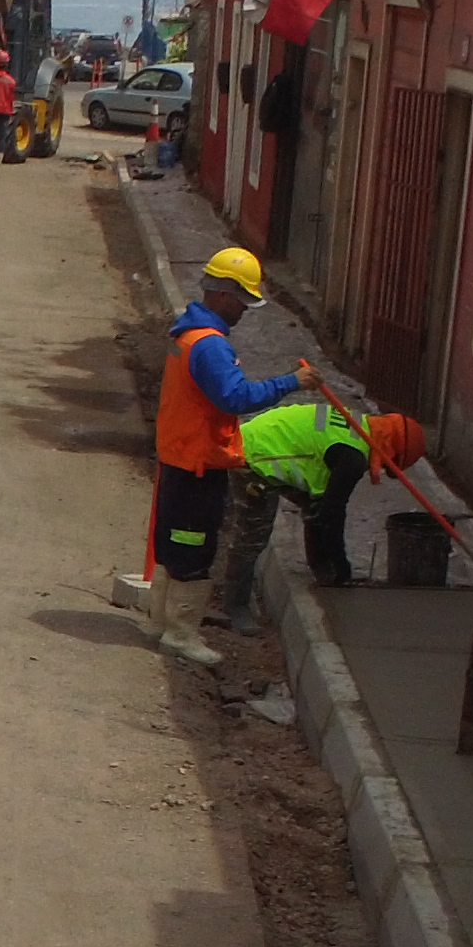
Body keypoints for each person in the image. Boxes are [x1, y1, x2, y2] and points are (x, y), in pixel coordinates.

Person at [112, 243, 303, 665]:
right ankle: (180, 634)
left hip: (179, 458)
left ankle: (160, 623)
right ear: (222, 294)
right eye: (242, 301)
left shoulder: (186, 333)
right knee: (194, 548)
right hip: (199, 465)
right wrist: (291, 382)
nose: (244, 311)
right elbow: (236, 397)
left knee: (172, 544)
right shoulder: (211, 346)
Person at [220, 400, 427, 627]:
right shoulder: (352, 458)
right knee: (252, 536)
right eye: (391, 466)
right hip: (254, 456)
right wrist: (342, 565)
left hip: (265, 440)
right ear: (393, 453)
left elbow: (324, 507)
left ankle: (321, 568)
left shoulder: (359, 426)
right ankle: (235, 605)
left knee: (317, 504)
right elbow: (333, 514)